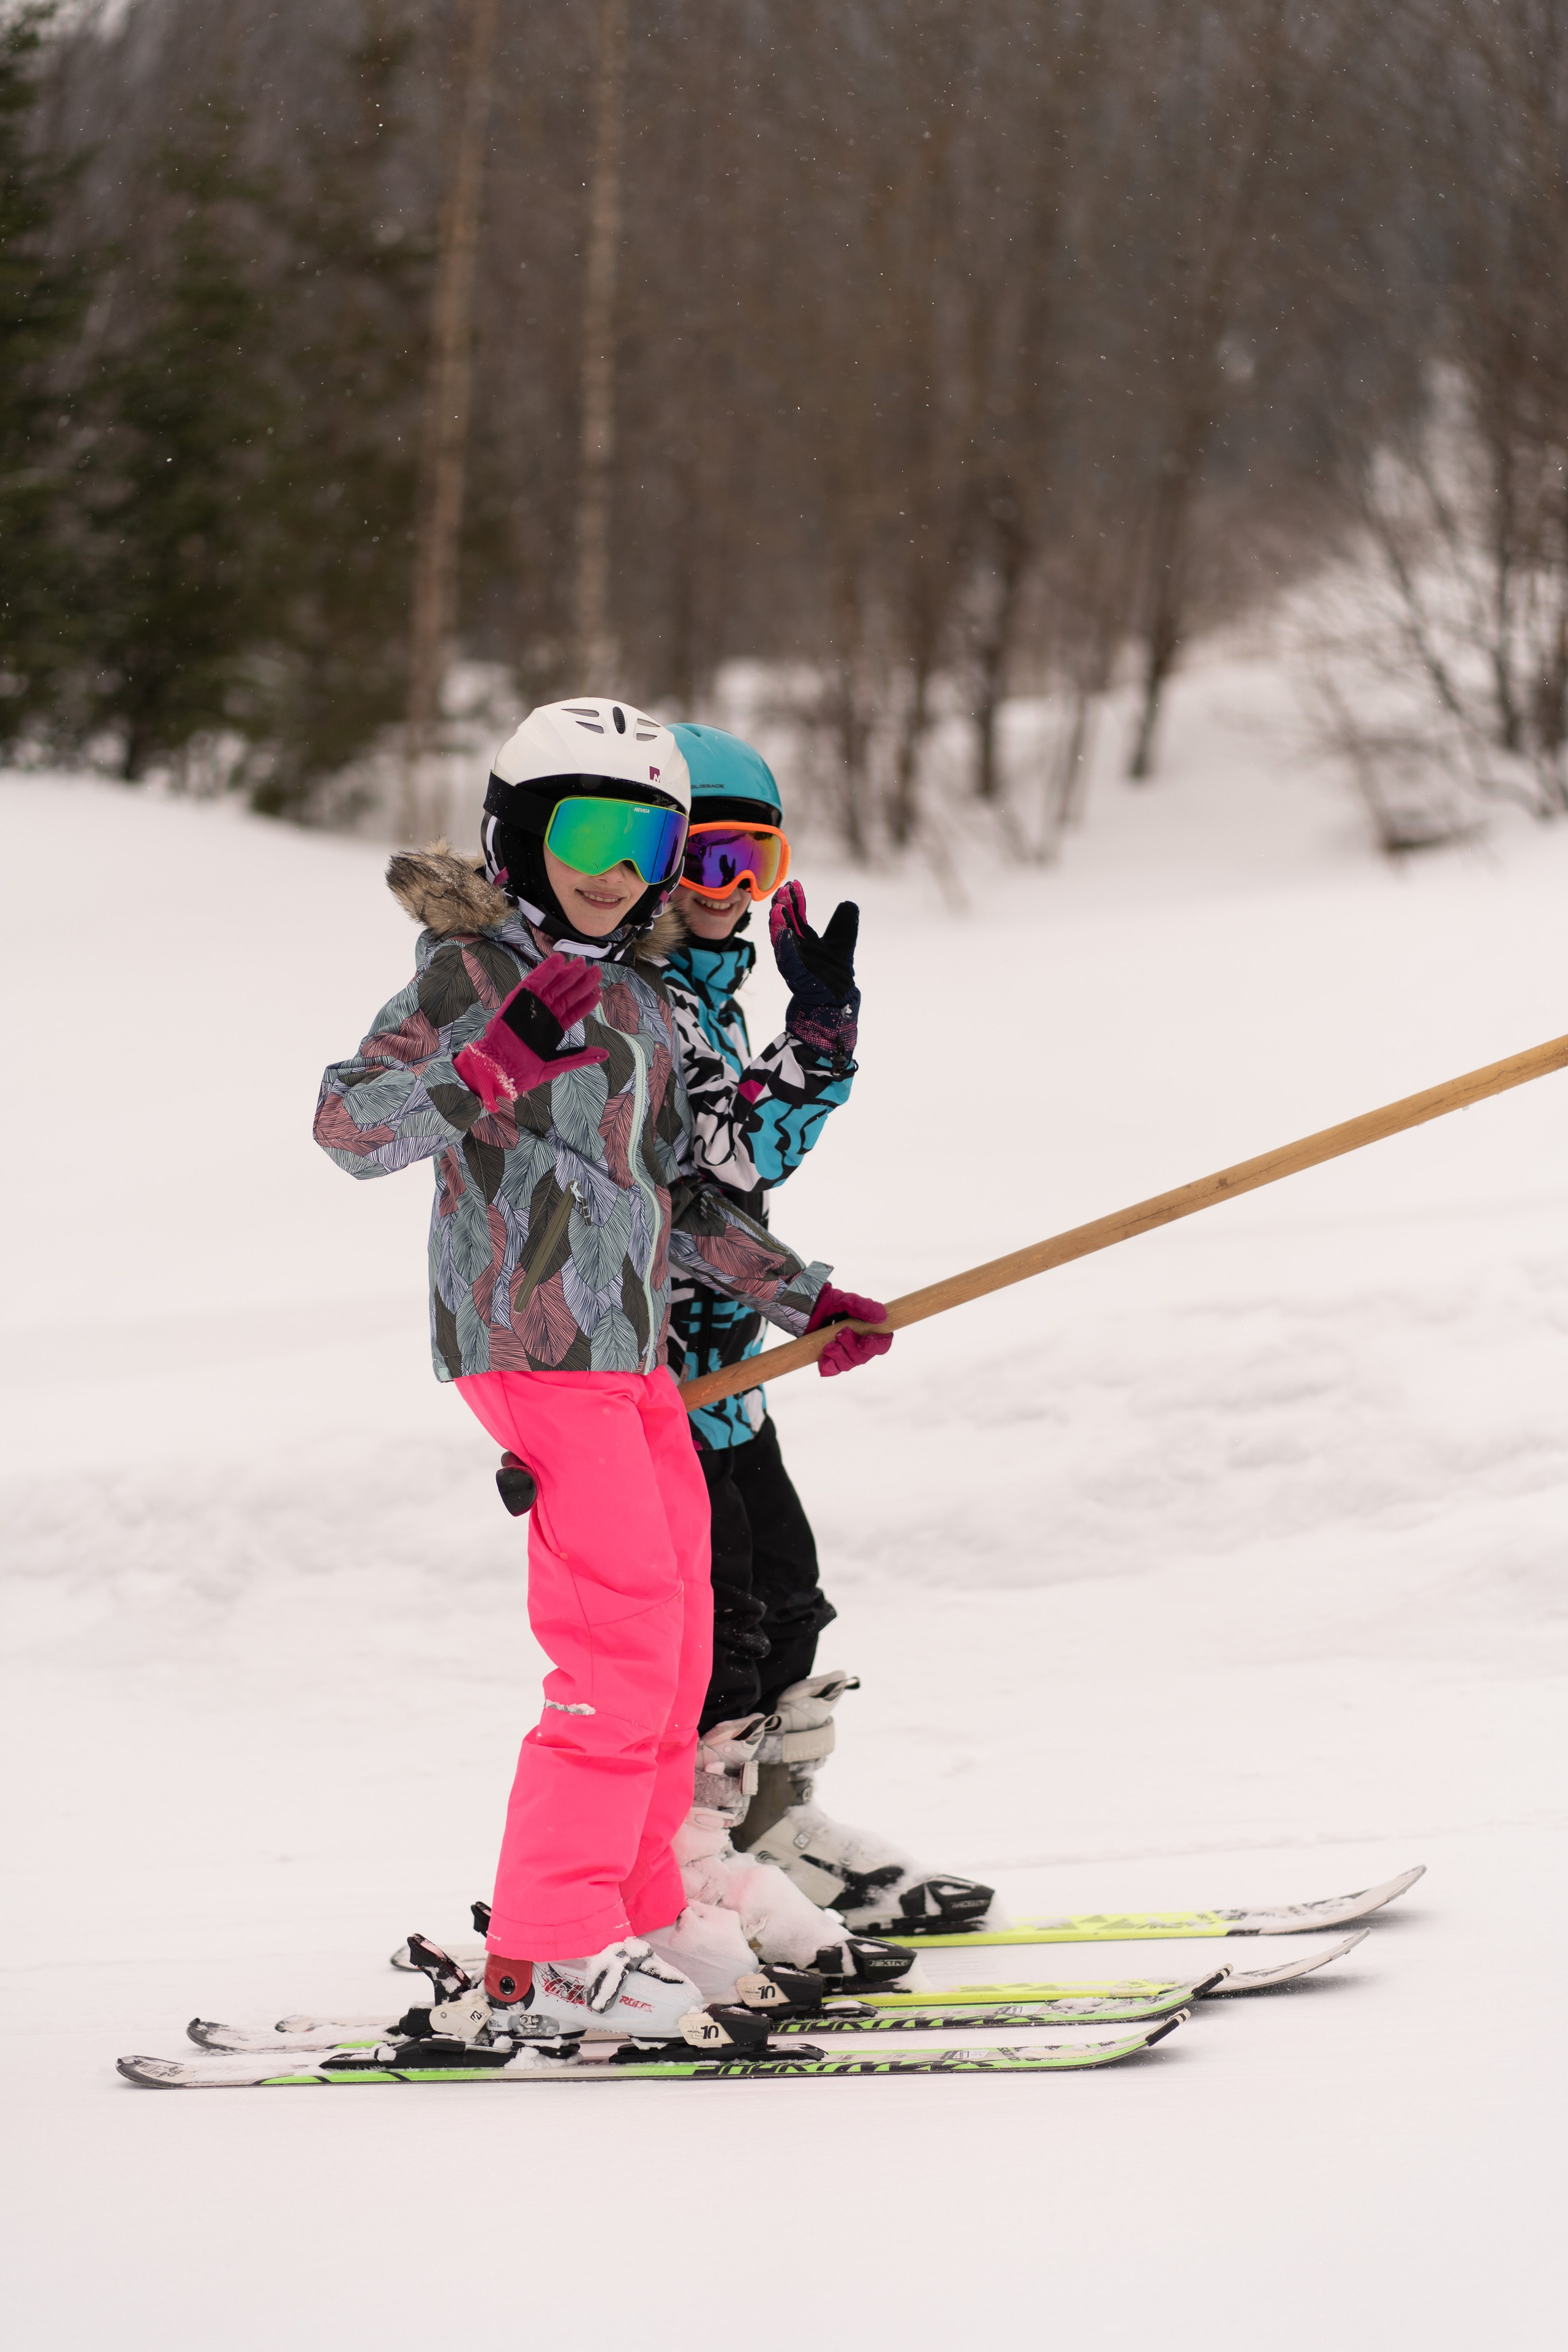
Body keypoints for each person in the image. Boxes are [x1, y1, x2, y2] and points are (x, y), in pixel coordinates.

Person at [313, 698, 892, 2053]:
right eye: (586, 830)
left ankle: (638, 1912)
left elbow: (678, 1196)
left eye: (644, 837)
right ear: (518, 831)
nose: (616, 867)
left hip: (626, 1352)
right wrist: (490, 1060)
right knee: (615, 1654)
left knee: (680, 1633)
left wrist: (802, 1297)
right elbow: (347, 1123)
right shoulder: (469, 968)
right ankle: (548, 1950)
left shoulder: (634, 992)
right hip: (534, 1344)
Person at [661, 723, 996, 1940]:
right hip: (650, 1391)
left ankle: (770, 1833)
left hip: (725, 1375)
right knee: (715, 1639)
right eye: (700, 861)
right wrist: (798, 1294)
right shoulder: (625, 1006)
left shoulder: (697, 995)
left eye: (752, 861)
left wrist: (817, 1030)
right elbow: (678, 1205)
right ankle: (689, 1875)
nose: (729, 891)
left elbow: (742, 1154)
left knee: (785, 1608)